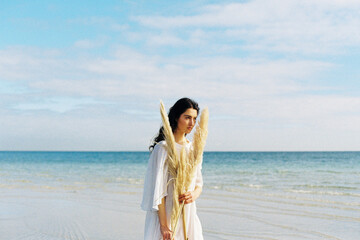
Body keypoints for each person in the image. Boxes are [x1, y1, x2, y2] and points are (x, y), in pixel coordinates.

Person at [141, 98, 204, 240]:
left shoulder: (194, 148)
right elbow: (159, 191)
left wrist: (193, 195)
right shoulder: (163, 148)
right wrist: (164, 225)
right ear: (176, 117)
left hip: (188, 215)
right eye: (187, 118)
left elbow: (199, 184)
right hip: (167, 216)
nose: (191, 123)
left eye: (194, 119)